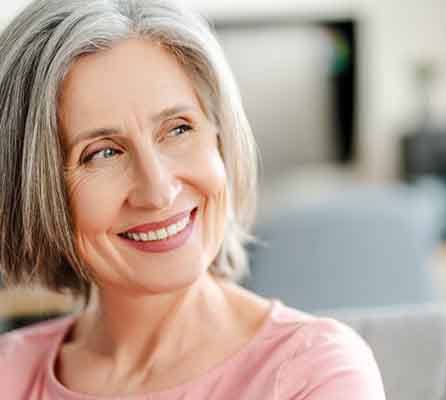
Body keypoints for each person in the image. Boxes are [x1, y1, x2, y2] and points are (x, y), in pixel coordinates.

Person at [0, 0, 386, 398]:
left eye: (178, 129)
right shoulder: (9, 373)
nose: (158, 189)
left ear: (220, 138)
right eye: (103, 153)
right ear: (34, 190)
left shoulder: (315, 372)